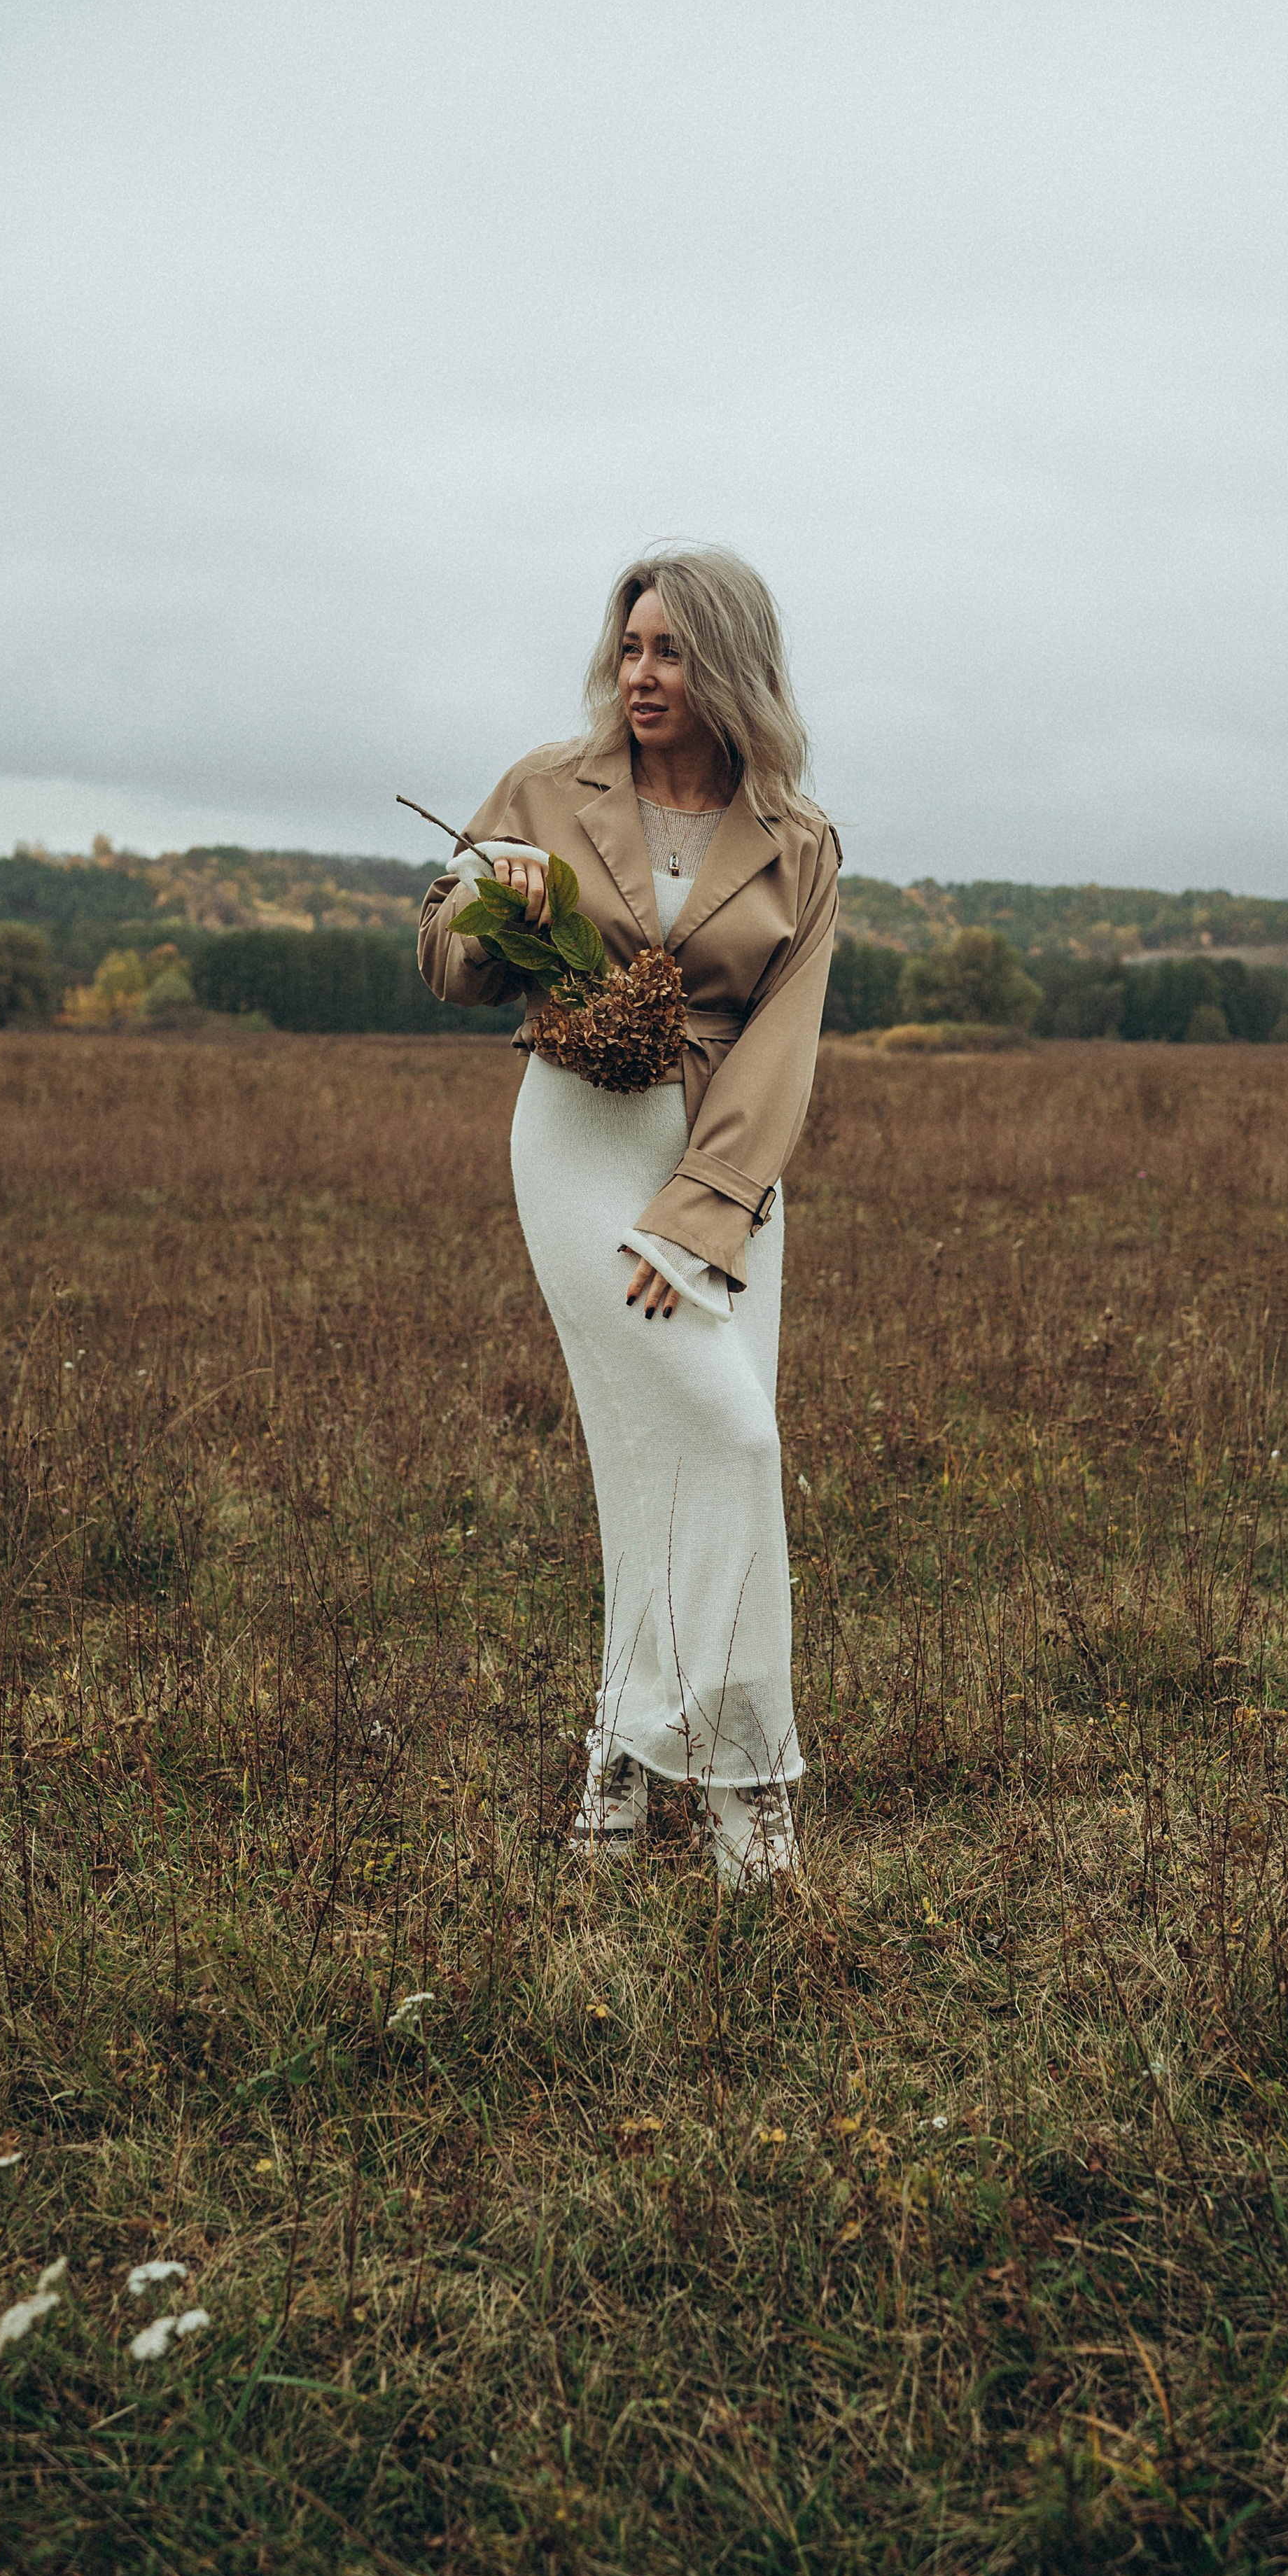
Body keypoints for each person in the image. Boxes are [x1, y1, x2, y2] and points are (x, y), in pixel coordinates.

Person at [418, 545, 840, 1886]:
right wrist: (496, 904)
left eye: (671, 652)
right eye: (632, 648)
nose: (641, 675)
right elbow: (444, 960)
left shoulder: (802, 840)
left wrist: (703, 1213)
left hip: (725, 1165)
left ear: (729, 668)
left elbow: (785, 1044)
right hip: (580, 1141)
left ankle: (616, 1754)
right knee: (728, 1438)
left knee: (668, 1463)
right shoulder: (546, 787)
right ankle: (749, 1785)